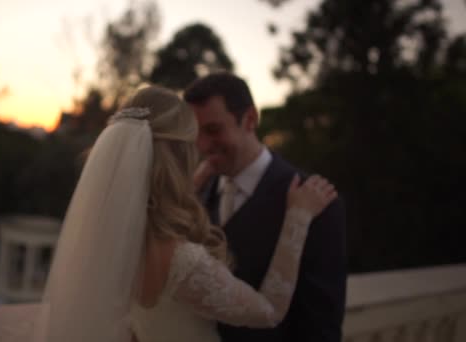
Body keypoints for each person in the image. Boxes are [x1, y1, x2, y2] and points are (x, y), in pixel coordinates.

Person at [32, 86, 337, 342]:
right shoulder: (183, 262)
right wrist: (298, 217)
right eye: (193, 142)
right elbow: (269, 310)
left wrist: (190, 183)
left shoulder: (108, 233)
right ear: (179, 157)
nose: (201, 148)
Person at [184, 72, 347, 342]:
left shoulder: (317, 203)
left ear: (250, 119)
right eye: (196, 133)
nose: (201, 145)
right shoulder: (195, 195)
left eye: (213, 130)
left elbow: (321, 326)